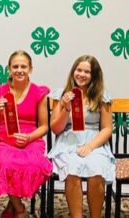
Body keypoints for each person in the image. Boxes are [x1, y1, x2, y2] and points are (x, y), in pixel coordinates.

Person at [0, 50, 53, 218]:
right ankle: (19, 207)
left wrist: (29, 137)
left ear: (30, 69)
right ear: (9, 69)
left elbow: (44, 126)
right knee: (5, 163)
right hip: (4, 140)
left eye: (23, 66)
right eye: (15, 66)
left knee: (32, 164)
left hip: (31, 139)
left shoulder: (38, 92)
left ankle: (10, 207)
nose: (19, 70)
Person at [48, 55, 115, 218]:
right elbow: (56, 129)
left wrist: (90, 147)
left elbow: (107, 129)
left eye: (87, 71)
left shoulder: (101, 96)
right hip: (68, 141)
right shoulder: (61, 94)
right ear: (73, 71)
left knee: (97, 171)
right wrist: (66, 108)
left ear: (94, 75)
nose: (82, 74)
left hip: (94, 142)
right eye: (79, 70)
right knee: (72, 170)